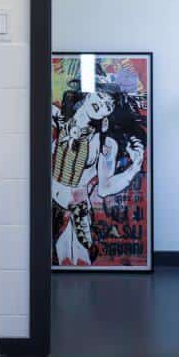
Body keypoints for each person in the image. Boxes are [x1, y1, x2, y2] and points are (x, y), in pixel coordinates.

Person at [51, 80, 146, 266]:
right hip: (49, 208)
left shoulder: (106, 143)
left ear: (109, 114)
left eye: (108, 105)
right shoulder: (56, 119)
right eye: (101, 97)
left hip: (78, 214)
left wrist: (135, 166)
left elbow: (105, 188)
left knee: (80, 259)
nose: (102, 104)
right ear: (87, 94)